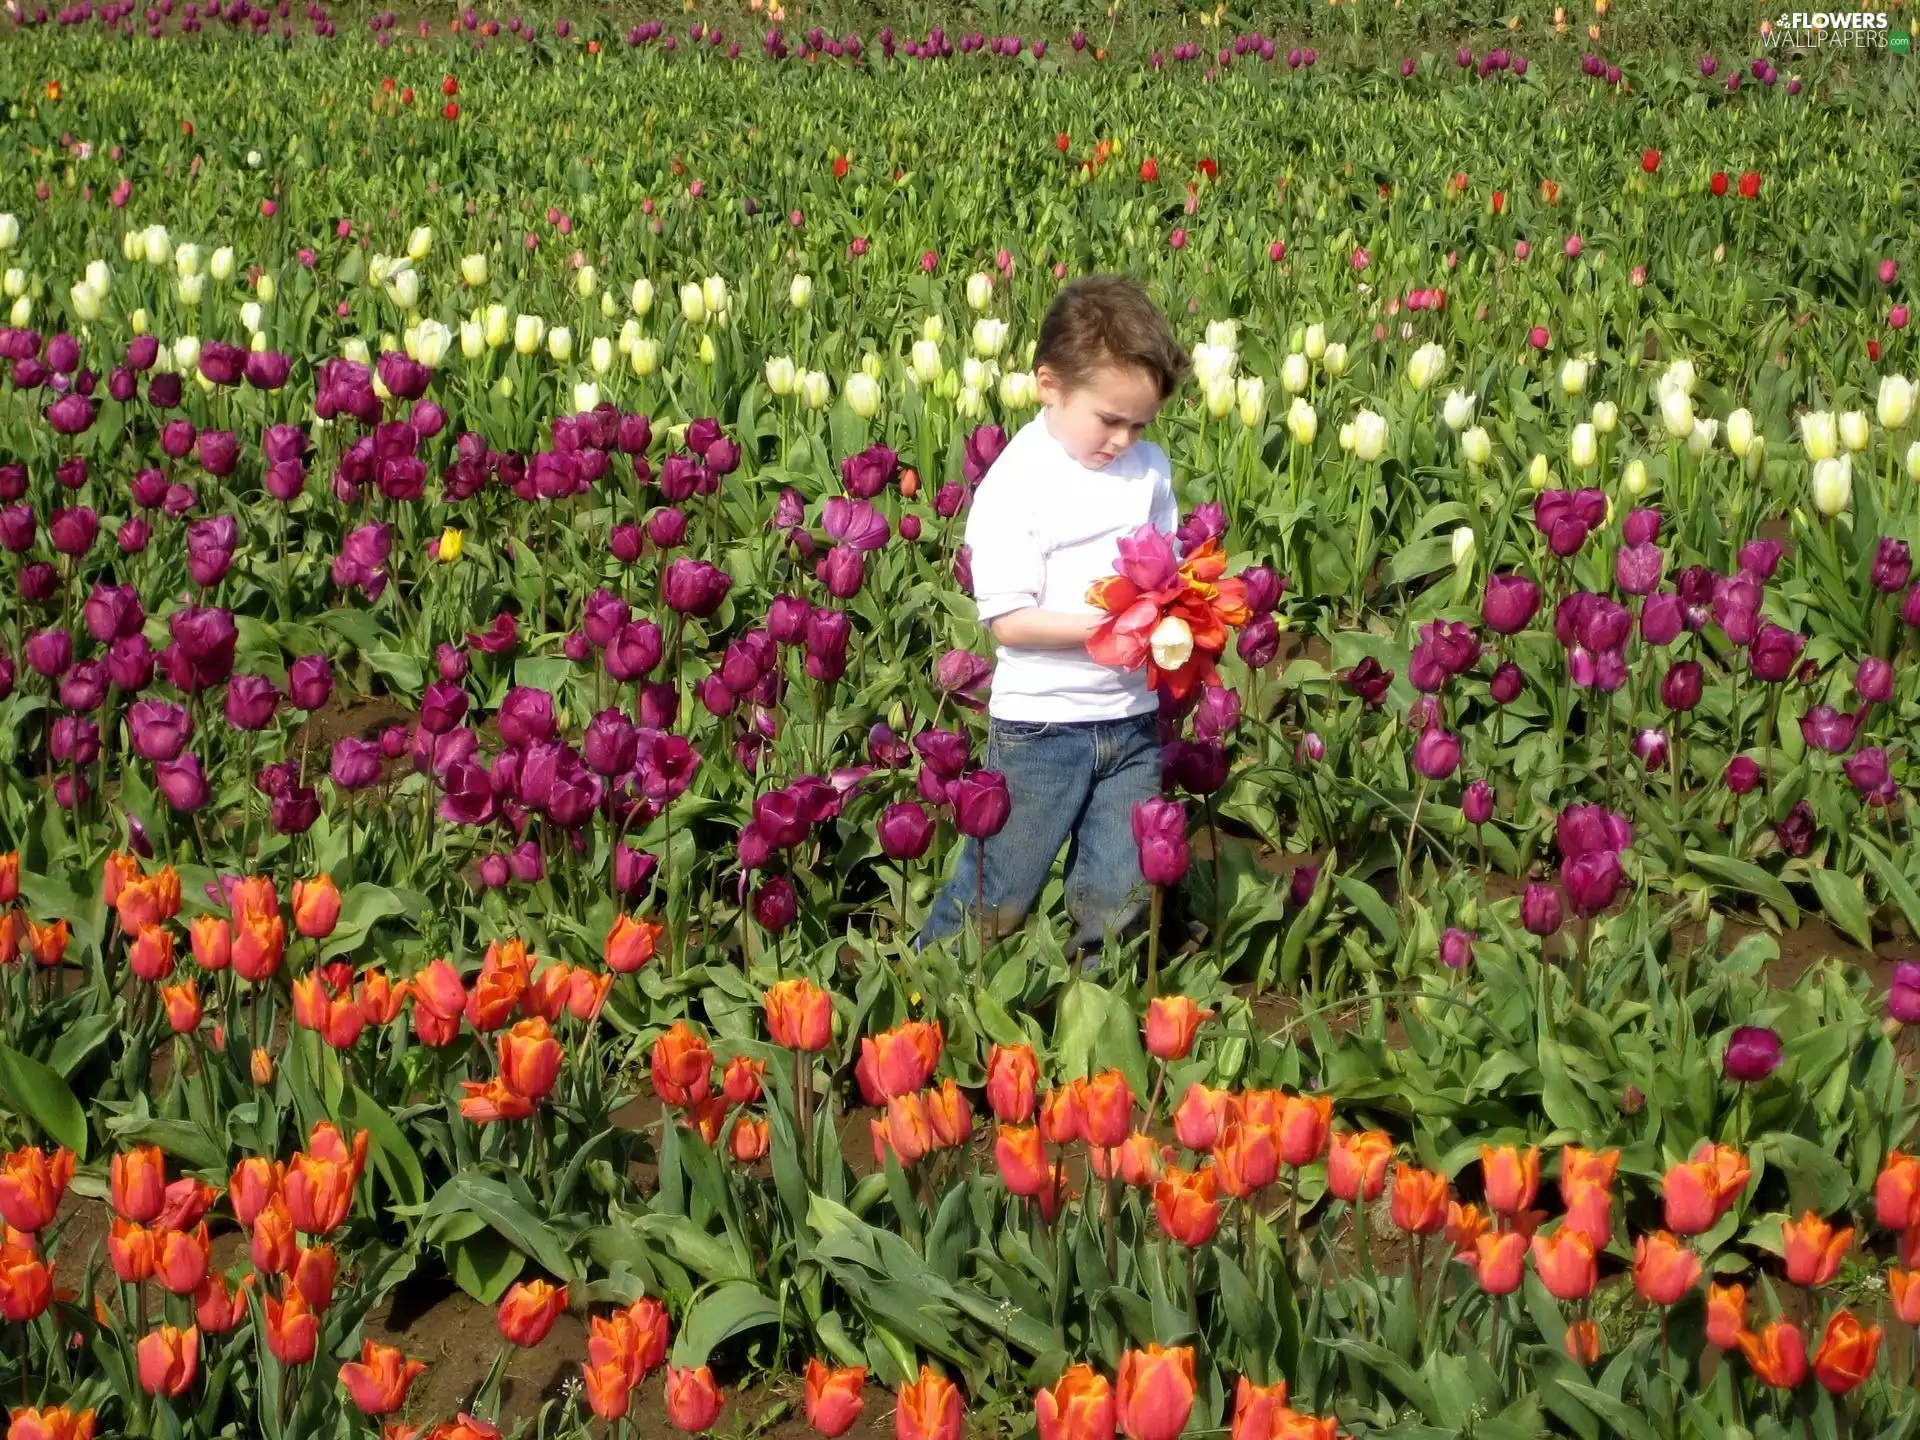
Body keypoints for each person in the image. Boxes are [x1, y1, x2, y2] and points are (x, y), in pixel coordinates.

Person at [919, 274, 1192, 960]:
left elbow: (1170, 571)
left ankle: (1093, 1016)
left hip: (1131, 721)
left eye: (1141, 424)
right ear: (1049, 385)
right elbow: (1009, 620)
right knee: (999, 886)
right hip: (1041, 727)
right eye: (1109, 419)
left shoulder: (1148, 471)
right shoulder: (1020, 482)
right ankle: (931, 991)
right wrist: (1115, 629)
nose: (1124, 439)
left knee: (1120, 891)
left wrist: (1182, 617)